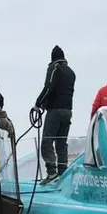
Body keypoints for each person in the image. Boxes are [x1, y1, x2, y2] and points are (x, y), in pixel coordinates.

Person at [35, 45, 76, 181]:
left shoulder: (54, 68)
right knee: (61, 142)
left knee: (47, 143)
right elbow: (62, 91)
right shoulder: (71, 72)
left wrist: (38, 103)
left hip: (55, 111)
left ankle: (51, 172)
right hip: (68, 110)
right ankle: (63, 173)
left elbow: (49, 87)